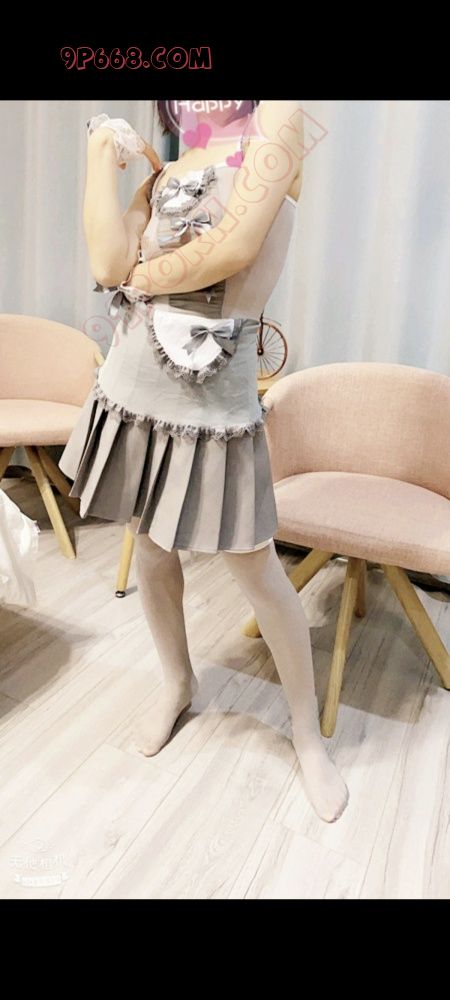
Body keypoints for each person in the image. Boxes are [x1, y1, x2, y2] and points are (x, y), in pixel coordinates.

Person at [58, 99, 349, 823]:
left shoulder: (277, 119)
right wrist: (98, 153)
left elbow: (234, 249)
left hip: (215, 399)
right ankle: (177, 683)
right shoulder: (171, 161)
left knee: (256, 567)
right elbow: (104, 263)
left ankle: (306, 733)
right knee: (151, 548)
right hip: (132, 385)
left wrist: (138, 275)